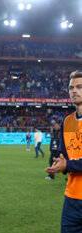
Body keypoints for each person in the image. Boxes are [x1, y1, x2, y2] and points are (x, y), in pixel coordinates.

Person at [46, 70, 82, 233]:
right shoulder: (67, 122)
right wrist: (60, 164)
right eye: (71, 87)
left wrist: (68, 164)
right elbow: (64, 155)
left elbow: (70, 162)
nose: (74, 91)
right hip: (72, 197)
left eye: (80, 87)